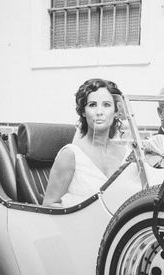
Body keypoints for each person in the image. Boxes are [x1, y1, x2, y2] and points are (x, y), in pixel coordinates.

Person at [43, 78, 128, 207]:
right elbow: (49, 205)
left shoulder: (127, 155)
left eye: (107, 105)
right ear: (83, 111)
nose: (99, 112)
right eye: (92, 105)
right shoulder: (70, 155)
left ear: (116, 111)